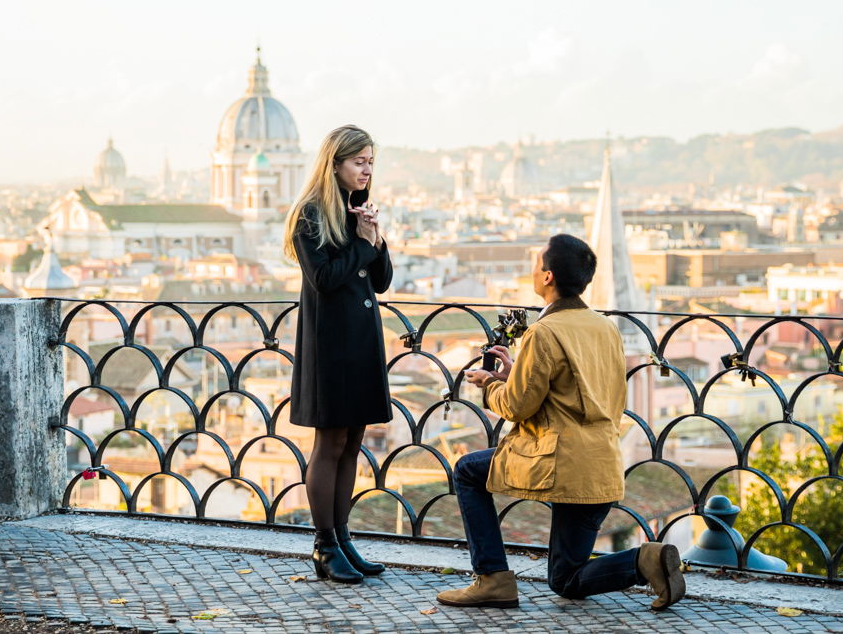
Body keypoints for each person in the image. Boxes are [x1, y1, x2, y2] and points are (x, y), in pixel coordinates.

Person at [436, 234, 685, 610]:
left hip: (558, 460)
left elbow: (517, 407)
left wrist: (489, 385)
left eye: (537, 264)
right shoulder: (605, 328)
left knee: (469, 472)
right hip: (600, 464)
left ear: (548, 276)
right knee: (565, 579)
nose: (533, 270)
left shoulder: (544, 332)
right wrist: (516, 374)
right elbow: (579, 390)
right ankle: (645, 560)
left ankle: (493, 579)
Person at [284, 125, 392, 584]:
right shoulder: (310, 215)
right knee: (328, 443)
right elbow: (324, 278)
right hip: (330, 344)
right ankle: (324, 545)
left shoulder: (356, 211)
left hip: (361, 339)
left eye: (370, 161)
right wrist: (362, 245)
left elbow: (382, 279)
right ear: (335, 164)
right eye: (358, 161)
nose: (367, 169)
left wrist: (375, 238)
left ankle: (344, 539)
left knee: (353, 442)